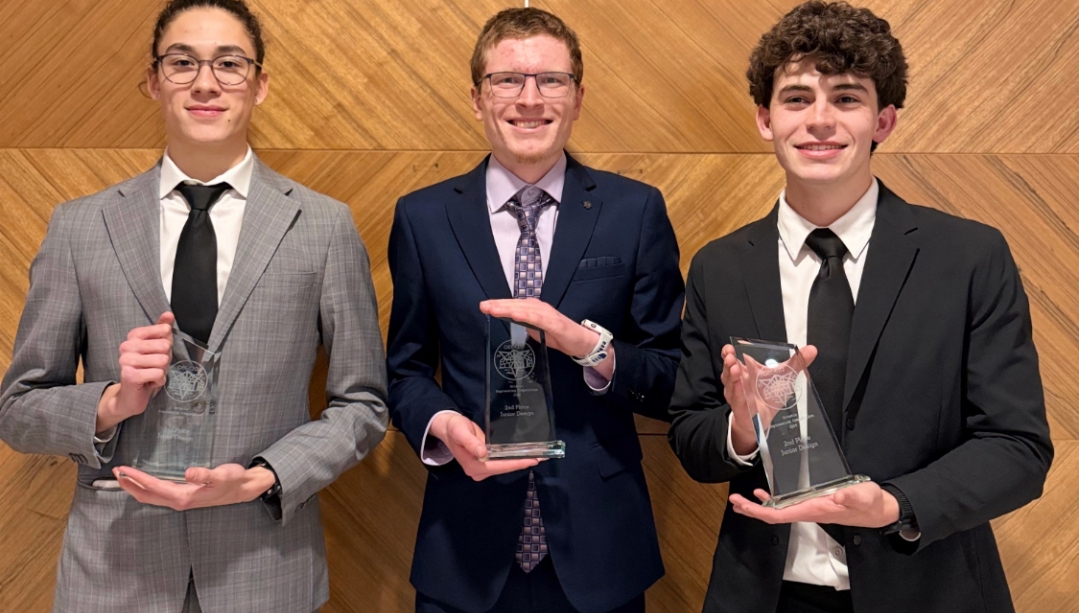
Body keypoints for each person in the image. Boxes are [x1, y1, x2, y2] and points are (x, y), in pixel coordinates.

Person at [0, 1, 388, 612]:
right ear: (153, 81)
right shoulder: (80, 227)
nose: (206, 82)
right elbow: (18, 410)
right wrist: (110, 402)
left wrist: (265, 476)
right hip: (114, 573)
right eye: (183, 62)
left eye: (230, 64)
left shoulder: (322, 227)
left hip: (263, 569)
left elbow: (363, 404)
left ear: (260, 84)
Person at [667, 2, 1053, 612]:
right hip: (764, 595)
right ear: (766, 119)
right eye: (796, 99)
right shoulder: (720, 266)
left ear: (885, 120)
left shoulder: (970, 256)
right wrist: (743, 427)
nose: (819, 120)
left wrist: (895, 503)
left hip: (928, 587)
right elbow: (691, 433)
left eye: (846, 98)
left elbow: (1018, 447)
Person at [386, 7, 684, 613]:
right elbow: (405, 372)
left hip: (601, 554)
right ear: (476, 97)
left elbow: (672, 375)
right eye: (507, 80)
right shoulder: (422, 218)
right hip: (463, 552)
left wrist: (590, 350)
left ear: (578, 97)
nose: (530, 98)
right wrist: (442, 427)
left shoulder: (635, 211)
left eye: (551, 80)